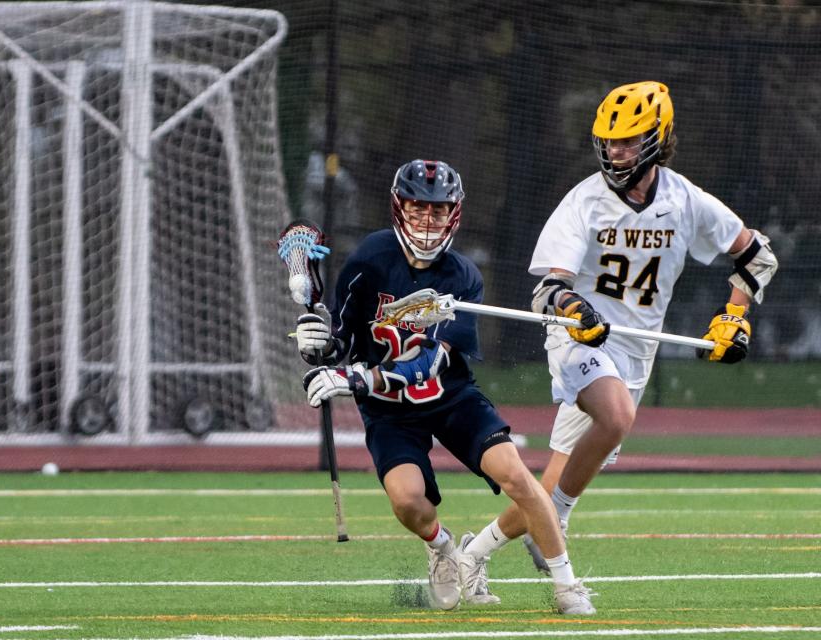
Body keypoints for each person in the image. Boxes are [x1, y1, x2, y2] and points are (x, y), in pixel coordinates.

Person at [458, 81, 779, 573]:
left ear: (657, 138)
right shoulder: (584, 202)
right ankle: (557, 523)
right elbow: (547, 289)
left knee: (549, 485)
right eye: (609, 140)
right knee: (616, 417)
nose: (615, 150)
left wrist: (734, 316)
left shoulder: (685, 200)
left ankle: (470, 556)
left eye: (627, 140)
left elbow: (757, 257)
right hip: (578, 339)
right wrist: (573, 308)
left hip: (634, 351)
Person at [295, 159, 595, 614]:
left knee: (517, 476)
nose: (427, 222)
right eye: (418, 210)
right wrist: (318, 344)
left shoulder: (464, 276)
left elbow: (430, 362)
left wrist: (358, 376)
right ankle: (444, 549)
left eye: (438, 212)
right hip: (389, 411)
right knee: (408, 503)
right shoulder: (369, 261)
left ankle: (567, 586)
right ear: (400, 208)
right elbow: (343, 341)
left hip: (450, 397)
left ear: (454, 214)